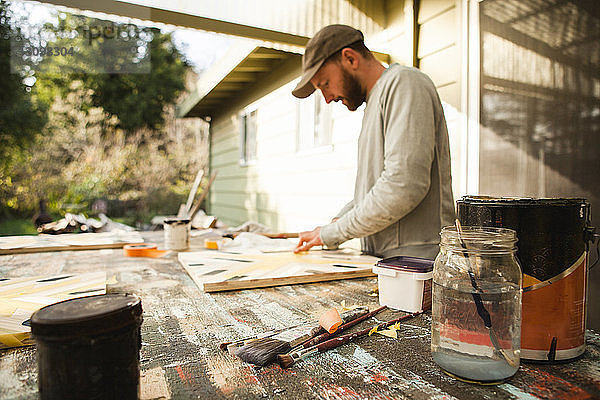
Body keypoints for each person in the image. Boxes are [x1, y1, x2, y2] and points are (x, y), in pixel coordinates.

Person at [292, 24, 455, 259]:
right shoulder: (375, 101)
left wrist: (334, 232)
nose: (327, 99)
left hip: (417, 265)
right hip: (391, 264)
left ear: (350, 58)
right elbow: (375, 189)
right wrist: (338, 220)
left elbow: (403, 185)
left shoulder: (403, 84)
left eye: (325, 84)